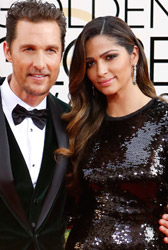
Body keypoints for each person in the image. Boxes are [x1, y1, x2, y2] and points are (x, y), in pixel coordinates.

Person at [58, 16, 168, 249]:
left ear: (133, 55)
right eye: (90, 63)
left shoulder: (164, 120)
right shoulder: (80, 124)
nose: (101, 71)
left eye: (110, 57)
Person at [0, 0, 70, 249]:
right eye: (28, 49)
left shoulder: (72, 121)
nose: (40, 63)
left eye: (50, 50)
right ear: (7, 51)